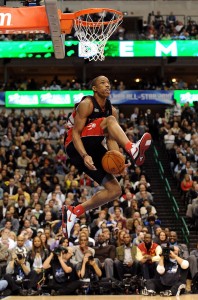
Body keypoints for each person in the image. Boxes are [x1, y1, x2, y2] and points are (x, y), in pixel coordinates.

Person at [64, 75, 152, 238]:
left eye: (109, 83)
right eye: (103, 83)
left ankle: (74, 212)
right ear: (94, 88)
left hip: (94, 146)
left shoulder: (112, 109)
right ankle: (132, 149)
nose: (107, 86)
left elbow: (111, 138)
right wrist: (84, 155)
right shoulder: (87, 104)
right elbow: (75, 133)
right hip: (75, 145)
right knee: (109, 120)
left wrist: (119, 160)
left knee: (114, 190)